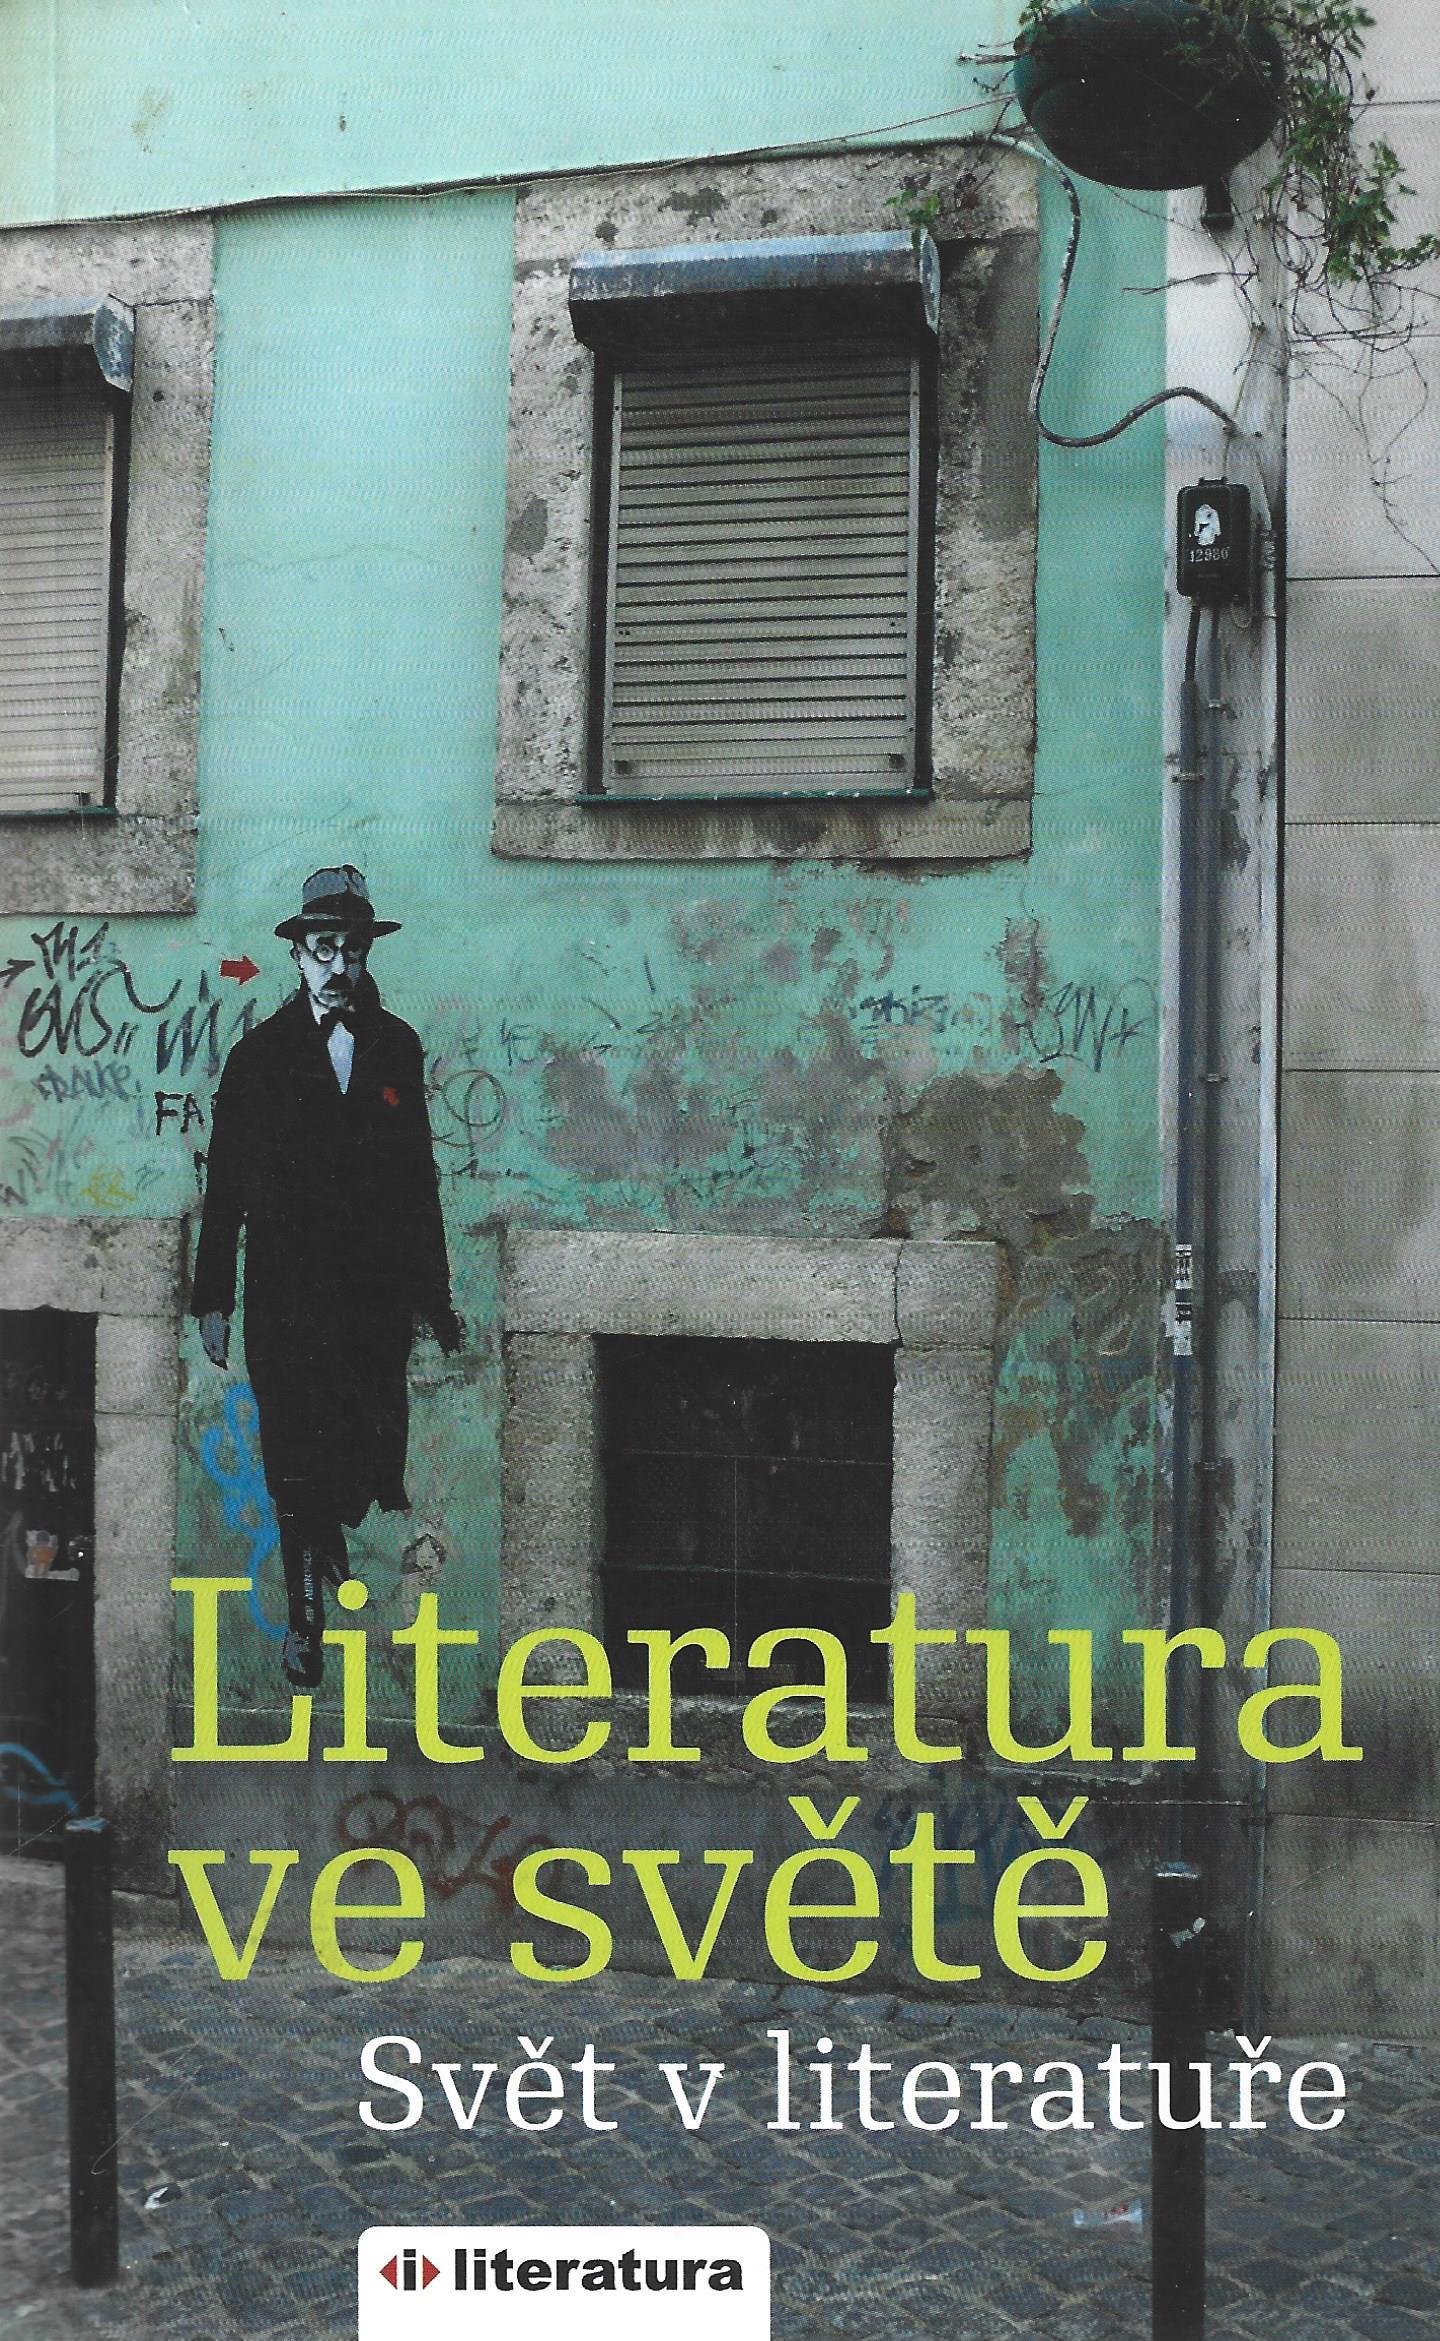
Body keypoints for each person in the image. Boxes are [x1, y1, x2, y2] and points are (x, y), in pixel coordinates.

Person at [190, 866, 461, 1690]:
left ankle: (330, 1535)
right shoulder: (258, 1058)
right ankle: (305, 1621)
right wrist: (213, 1297)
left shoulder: (396, 1046)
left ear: (366, 952)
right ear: (298, 956)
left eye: (350, 948)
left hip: (371, 1298)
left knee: (362, 1458)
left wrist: (434, 1295)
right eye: (322, 949)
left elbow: (417, 1177)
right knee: (294, 1464)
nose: (337, 965)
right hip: (286, 1299)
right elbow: (225, 1186)